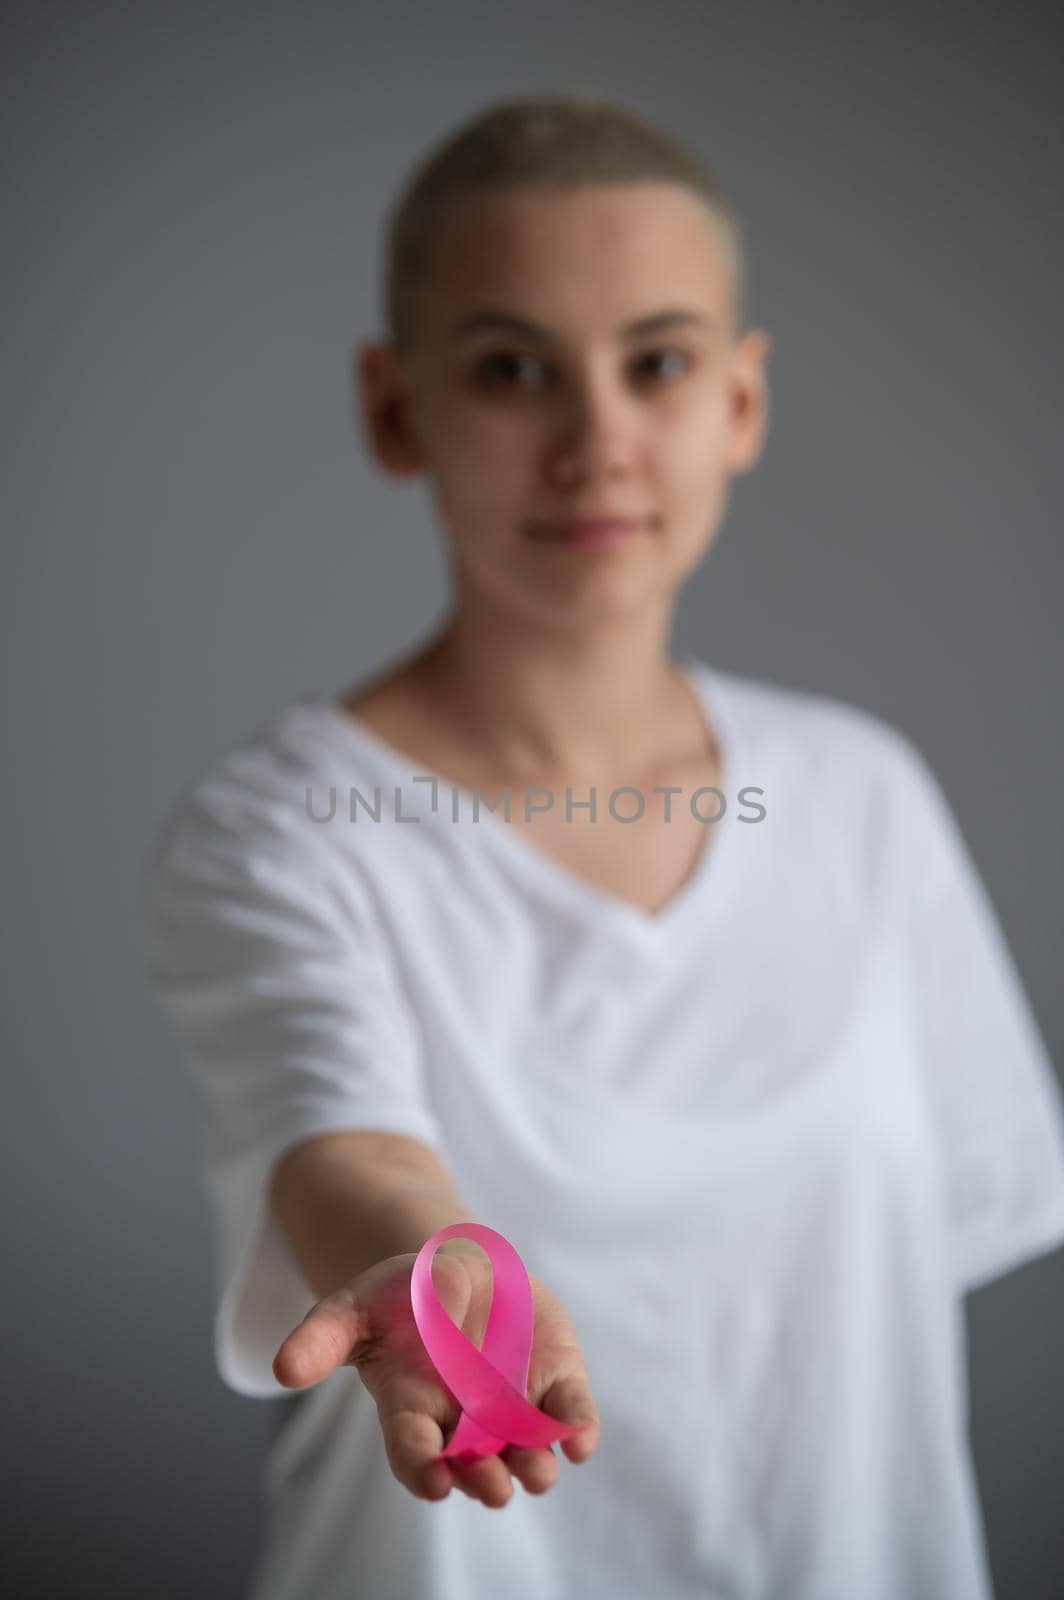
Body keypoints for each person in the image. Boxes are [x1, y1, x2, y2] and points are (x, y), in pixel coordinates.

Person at [143, 92, 1064, 1600]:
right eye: (513, 370)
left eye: (659, 363)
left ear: (742, 404)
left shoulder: (859, 798)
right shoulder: (284, 832)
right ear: (396, 408)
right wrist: (436, 1264)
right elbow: (349, 1136)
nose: (597, 442)